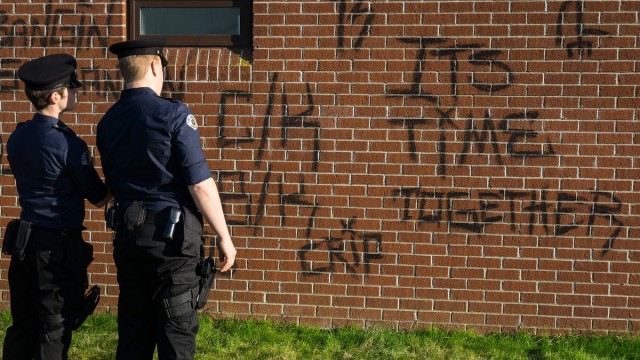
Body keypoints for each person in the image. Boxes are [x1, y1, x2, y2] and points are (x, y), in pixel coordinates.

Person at [97, 39, 237, 360]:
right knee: (176, 334)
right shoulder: (174, 114)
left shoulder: (108, 121)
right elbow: (199, 185)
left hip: (129, 240)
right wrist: (224, 237)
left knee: (134, 333)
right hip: (172, 246)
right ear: (155, 66)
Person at [3, 53, 111, 359]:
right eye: (71, 88)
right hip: (56, 251)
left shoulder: (18, 136)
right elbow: (99, 196)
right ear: (55, 96)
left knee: (22, 326)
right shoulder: (66, 143)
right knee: (54, 328)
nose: (76, 92)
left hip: (25, 243)